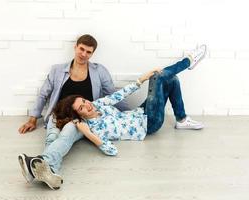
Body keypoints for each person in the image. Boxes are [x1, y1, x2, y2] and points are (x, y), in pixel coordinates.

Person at [50, 45, 207, 157]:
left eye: (84, 101)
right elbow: (112, 151)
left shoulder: (97, 104)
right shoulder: (93, 128)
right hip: (149, 123)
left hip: (140, 112)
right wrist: (87, 133)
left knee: (171, 79)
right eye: (82, 108)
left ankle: (182, 119)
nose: (88, 105)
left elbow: (119, 95)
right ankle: (188, 61)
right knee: (159, 77)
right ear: (78, 114)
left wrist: (141, 79)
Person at [17, 34, 130, 190]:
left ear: (92, 54)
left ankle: (37, 164)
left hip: (82, 118)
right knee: (52, 136)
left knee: (67, 132)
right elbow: (44, 93)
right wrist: (33, 119)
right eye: (81, 49)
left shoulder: (99, 71)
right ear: (75, 47)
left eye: (88, 52)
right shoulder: (57, 70)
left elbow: (113, 95)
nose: (83, 54)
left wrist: (129, 113)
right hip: (59, 113)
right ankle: (50, 172)